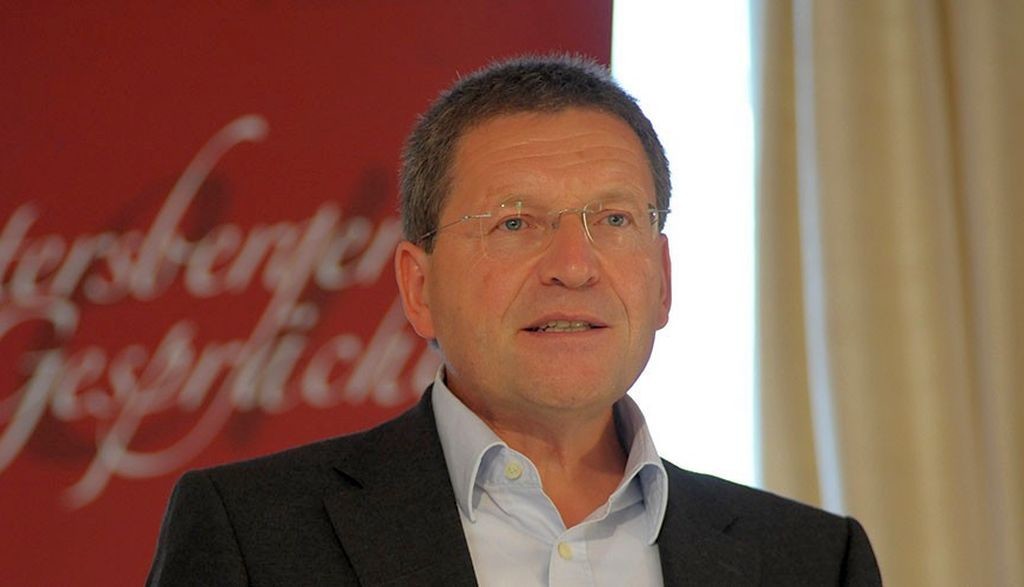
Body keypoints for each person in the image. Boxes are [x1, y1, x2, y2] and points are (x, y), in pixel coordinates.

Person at [147, 55, 882, 586]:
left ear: (662, 278)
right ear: (419, 287)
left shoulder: (813, 562)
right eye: (515, 222)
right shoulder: (252, 537)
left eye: (613, 219)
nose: (574, 265)